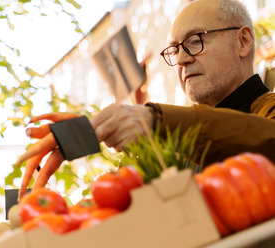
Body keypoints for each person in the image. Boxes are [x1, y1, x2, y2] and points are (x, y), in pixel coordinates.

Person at [19, 0, 275, 189]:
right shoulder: (172, 146)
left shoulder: (268, 110)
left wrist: (155, 122)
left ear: (243, 41)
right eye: (175, 50)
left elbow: (265, 139)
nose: (183, 59)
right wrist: (103, 132)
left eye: (196, 41)